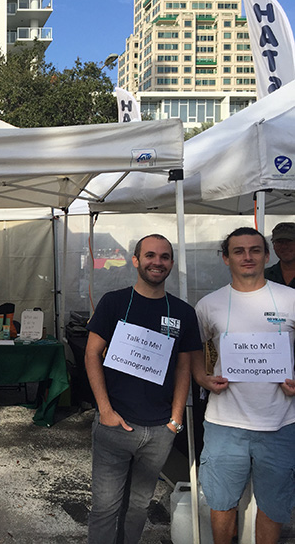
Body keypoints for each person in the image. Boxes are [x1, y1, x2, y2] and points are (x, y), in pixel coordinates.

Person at [84, 234, 201, 544]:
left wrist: (175, 419)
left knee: (138, 508)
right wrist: (105, 411)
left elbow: (184, 367)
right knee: (106, 508)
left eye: (164, 257)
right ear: (135, 260)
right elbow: (92, 354)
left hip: (160, 430)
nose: (157, 262)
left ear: (172, 264)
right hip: (115, 426)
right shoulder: (114, 302)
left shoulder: (183, 312)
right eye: (150, 255)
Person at [193, 227, 295, 544]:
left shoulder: (290, 299)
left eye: (254, 250)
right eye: (238, 251)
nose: (247, 256)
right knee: (222, 504)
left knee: (274, 506)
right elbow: (197, 349)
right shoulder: (209, 305)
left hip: (280, 422)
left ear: (267, 256)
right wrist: (202, 376)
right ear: (226, 258)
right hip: (225, 422)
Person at [264, 221, 295, 288]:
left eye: (289, 241)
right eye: (279, 242)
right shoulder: (264, 276)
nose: (284, 246)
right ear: (274, 246)